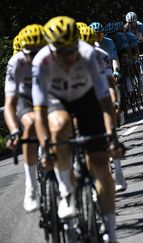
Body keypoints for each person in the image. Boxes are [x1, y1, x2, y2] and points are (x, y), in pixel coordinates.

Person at [32, 16, 124, 242]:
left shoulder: (89, 55)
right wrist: (46, 146)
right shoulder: (41, 62)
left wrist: (111, 136)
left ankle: (111, 233)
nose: (66, 57)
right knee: (60, 127)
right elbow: (40, 111)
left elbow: (104, 101)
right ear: (50, 48)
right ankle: (66, 194)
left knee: (101, 163)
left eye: (70, 50)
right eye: (60, 52)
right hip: (56, 101)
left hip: (87, 99)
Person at [77, 25, 127, 192]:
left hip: (99, 96)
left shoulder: (101, 55)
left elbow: (110, 85)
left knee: (109, 134)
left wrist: (114, 102)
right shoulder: (65, 60)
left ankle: (118, 173)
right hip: (79, 100)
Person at [4, 24, 46, 212]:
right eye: (31, 53)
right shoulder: (16, 62)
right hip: (26, 98)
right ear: (22, 50)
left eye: (39, 52)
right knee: (29, 125)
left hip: (49, 96)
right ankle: (31, 187)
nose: (35, 57)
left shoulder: (52, 58)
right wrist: (14, 131)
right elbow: (10, 104)